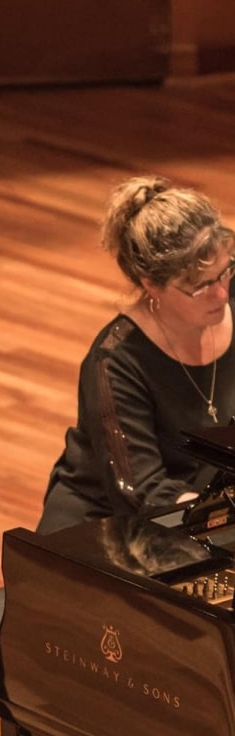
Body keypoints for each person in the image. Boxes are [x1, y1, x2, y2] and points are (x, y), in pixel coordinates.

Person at [37, 174, 235, 533]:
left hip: (213, 499)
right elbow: (142, 488)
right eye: (200, 286)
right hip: (111, 523)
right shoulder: (115, 363)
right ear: (152, 286)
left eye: (225, 272)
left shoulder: (228, 291)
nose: (221, 294)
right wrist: (219, 517)